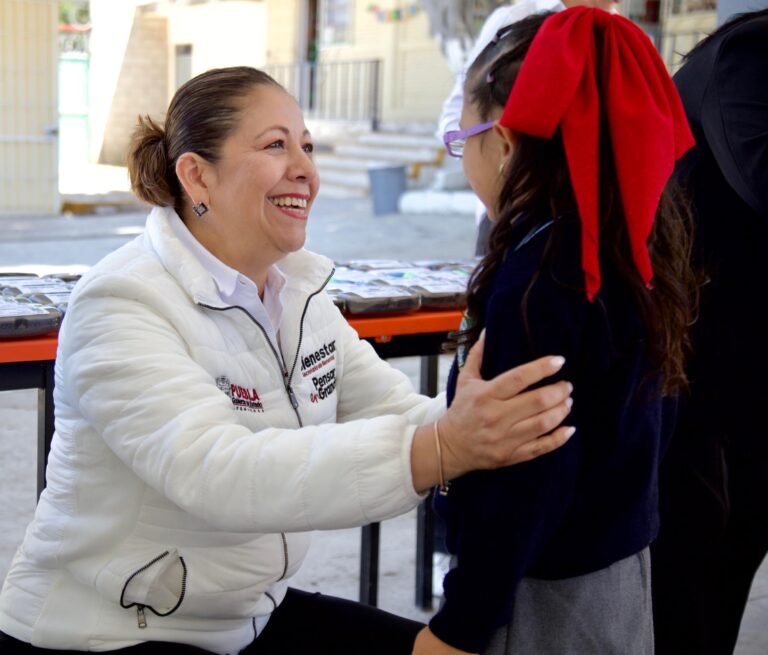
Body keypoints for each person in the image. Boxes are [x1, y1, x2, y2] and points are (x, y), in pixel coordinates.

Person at [0, 66, 575, 654]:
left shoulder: (297, 294)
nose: (305, 168)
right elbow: (217, 472)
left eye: (306, 145)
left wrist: (495, 422)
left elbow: (398, 410)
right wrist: (444, 449)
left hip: (243, 617)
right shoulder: (121, 301)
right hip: (107, 631)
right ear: (197, 175)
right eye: (275, 145)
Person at [416, 7, 698, 654]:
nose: (462, 161)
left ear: (508, 142)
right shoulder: (628, 247)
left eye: (463, 141)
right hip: (620, 561)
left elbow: (527, 479)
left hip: (544, 588)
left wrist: (458, 626)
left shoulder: (539, 281)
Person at [650, 8, 768, 654]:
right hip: (698, 362)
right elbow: (761, 176)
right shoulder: (746, 57)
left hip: (743, 362)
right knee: (700, 564)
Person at [436, 0, 618, 257]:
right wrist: (477, 146)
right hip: (513, 210)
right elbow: (463, 109)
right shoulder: (514, 19)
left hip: (584, 216)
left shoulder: (621, 39)